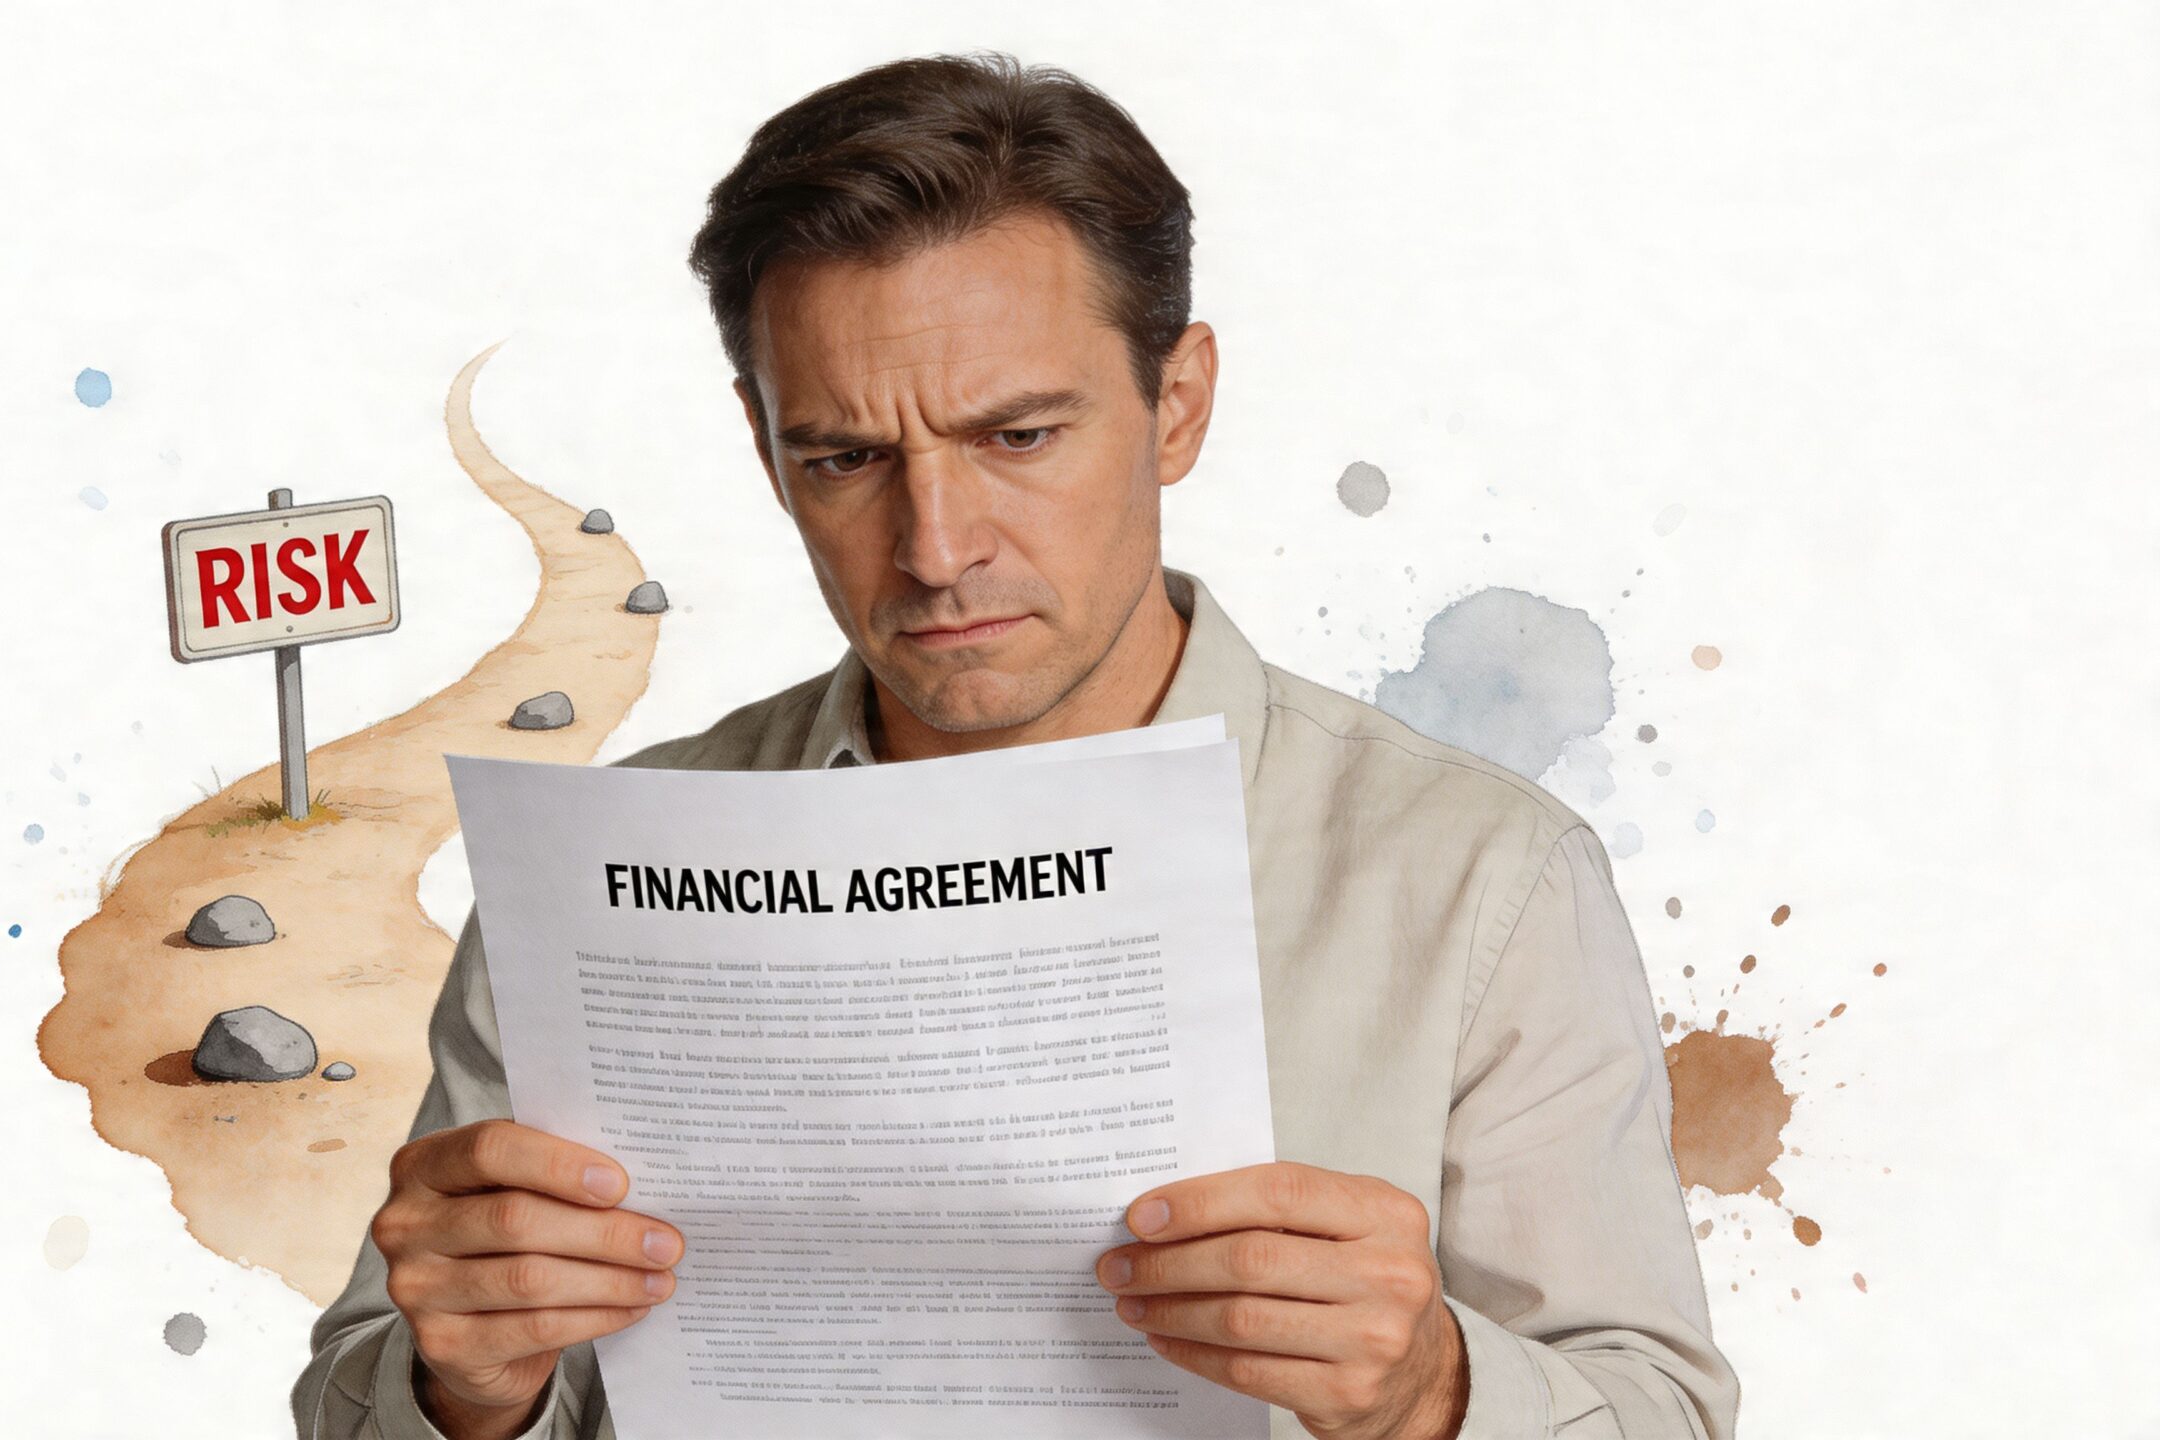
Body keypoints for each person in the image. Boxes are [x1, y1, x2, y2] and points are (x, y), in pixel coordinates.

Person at [294, 50, 1737, 1440]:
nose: (935, 549)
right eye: (846, 458)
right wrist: (463, 1394)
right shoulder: (594, 879)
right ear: (764, 447)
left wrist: (1429, 1393)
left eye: (1021, 436)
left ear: (1176, 404)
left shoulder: (1482, 879)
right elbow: (364, 1395)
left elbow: (1664, 1416)